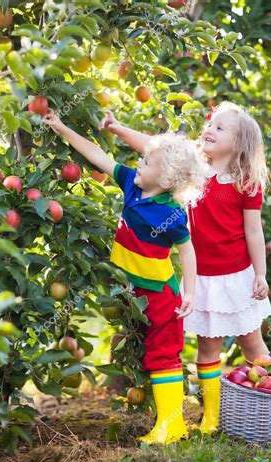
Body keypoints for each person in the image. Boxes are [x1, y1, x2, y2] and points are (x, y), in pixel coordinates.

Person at [100, 102, 271, 434]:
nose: (209, 130)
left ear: (239, 142)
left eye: (220, 128)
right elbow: (153, 148)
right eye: (210, 124)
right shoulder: (194, 165)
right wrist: (118, 128)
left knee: (252, 342)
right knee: (208, 349)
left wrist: (260, 274)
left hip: (237, 276)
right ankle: (213, 416)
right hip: (203, 277)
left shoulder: (245, 181)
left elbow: (254, 230)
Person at [42, 109, 207, 444]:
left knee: (163, 355)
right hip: (133, 292)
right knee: (150, 353)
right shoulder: (131, 186)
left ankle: (171, 425)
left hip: (160, 294)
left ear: (168, 180)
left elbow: (187, 252)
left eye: (147, 162)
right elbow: (96, 154)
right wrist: (62, 127)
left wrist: (190, 293)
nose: (139, 164)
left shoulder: (172, 214)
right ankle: (166, 421)